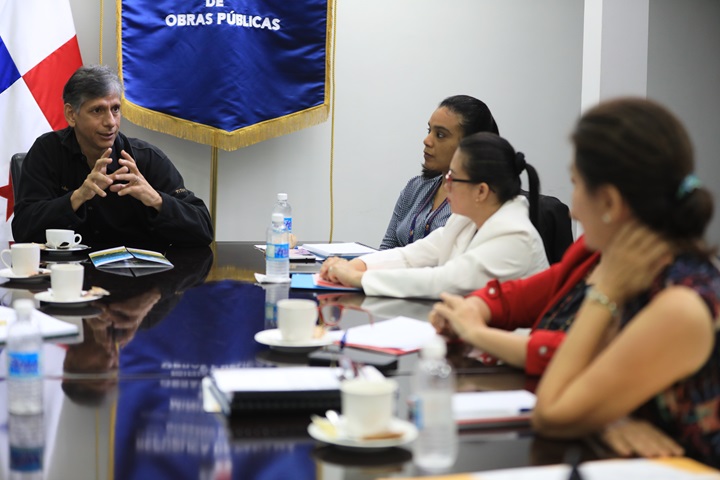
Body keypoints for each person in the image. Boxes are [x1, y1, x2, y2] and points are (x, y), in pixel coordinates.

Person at [433, 98, 720, 465]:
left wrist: (607, 293)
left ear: (611, 203)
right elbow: (539, 298)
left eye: (575, 185)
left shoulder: (679, 302)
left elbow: (552, 413)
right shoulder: (607, 253)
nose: (574, 209)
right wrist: (607, 418)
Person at [320, 132, 549, 299]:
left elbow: (444, 281)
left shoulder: (514, 236)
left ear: (481, 191)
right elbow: (412, 256)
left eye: (453, 178)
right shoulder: (468, 218)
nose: (445, 184)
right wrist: (356, 265)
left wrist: (357, 279)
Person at [12, 65, 213, 248]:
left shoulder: (145, 158)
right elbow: (23, 230)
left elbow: (203, 229)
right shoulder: (47, 151)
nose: (110, 122)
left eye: (115, 109)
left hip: (137, 282)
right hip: (68, 279)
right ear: (71, 115)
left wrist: (155, 198)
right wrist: (78, 196)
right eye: (97, 110)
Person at [380, 95, 499, 250]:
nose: (427, 140)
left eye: (440, 135)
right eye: (429, 130)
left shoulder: (480, 204)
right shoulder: (415, 187)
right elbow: (385, 250)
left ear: (472, 145)